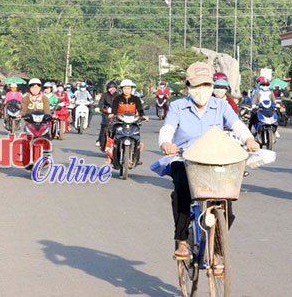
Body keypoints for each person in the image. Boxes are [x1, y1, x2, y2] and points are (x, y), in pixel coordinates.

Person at [159, 62, 259, 259]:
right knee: (182, 191)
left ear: (212, 86)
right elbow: (168, 128)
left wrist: (248, 139)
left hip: (215, 158)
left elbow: (236, 124)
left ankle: (218, 239)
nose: (202, 90)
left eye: (206, 85)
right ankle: (182, 240)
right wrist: (165, 143)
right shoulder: (178, 106)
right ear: (188, 86)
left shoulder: (221, 105)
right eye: (197, 86)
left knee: (225, 199)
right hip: (185, 157)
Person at [108, 79, 149, 165]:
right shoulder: (117, 98)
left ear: (131, 89)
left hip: (133, 122)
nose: (126, 90)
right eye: (125, 88)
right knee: (112, 135)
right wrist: (112, 114)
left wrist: (143, 116)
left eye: (128, 88)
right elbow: (114, 109)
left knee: (137, 138)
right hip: (119, 121)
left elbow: (140, 109)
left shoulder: (136, 99)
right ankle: (110, 157)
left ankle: (136, 158)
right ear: (122, 89)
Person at [98, 80, 119, 150]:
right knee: (104, 126)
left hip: (116, 115)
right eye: (110, 87)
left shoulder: (118, 95)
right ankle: (100, 140)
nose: (112, 89)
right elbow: (100, 104)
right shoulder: (104, 95)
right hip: (106, 114)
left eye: (113, 87)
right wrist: (101, 108)